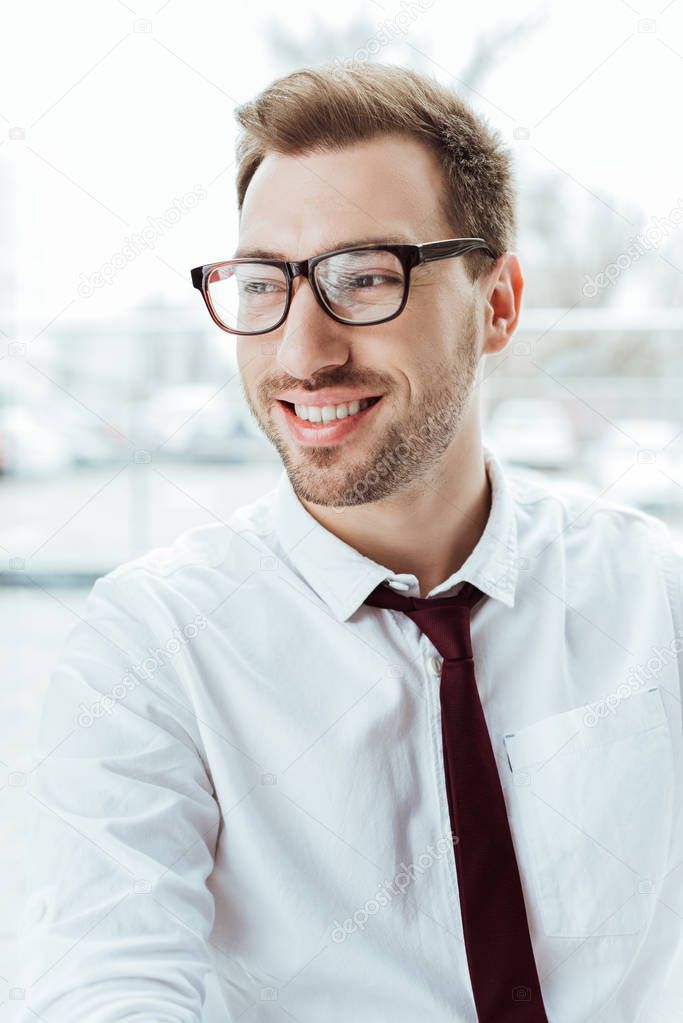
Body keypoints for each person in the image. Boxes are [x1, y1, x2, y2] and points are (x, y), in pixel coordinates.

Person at [17, 63, 683, 1023]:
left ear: (496, 305)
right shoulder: (151, 649)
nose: (300, 351)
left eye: (365, 277)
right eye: (263, 284)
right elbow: (103, 986)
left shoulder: (653, 595)